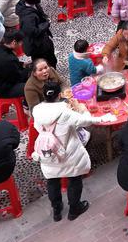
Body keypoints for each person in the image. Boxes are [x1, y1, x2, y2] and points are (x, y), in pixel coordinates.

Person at [32, 80, 108, 221]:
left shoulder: (37, 112)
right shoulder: (64, 113)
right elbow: (86, 121)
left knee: (52, 181)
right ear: (59, 94)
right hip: (68, 155)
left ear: (44, 95)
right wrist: (83, 109)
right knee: (74, 178)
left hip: (48, 155)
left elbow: (38, 128)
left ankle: (57, 210)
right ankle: (74, 209)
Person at [0, 31, 29, 99]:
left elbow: (10, 68)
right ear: (14, 42)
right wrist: (29, 69)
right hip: (2, 90)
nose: (21, 44)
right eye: (20, 42)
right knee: (32, 85)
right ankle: (27, 104)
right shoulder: (8, 59)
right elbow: (18, 78)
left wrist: (22, 64)